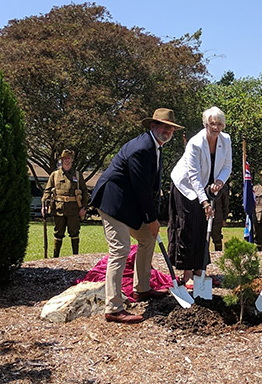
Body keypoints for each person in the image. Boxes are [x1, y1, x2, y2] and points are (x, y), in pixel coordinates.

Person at [90, 108, 183, 324]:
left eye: (171, 128)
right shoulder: (142, 148)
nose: (167, 131)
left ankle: (142, 288)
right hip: (113, 202)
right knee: (120, 250)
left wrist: (151, 220)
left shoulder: (154, 146)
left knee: (147, 238)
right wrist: (151, 219)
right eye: (163, 126)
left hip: (128, 205)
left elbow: (147, 189)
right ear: (152, 126)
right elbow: (142, 189)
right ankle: (113, 308)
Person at [168, 106, 232, 286]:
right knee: (187, 225)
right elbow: (193, 175)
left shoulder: (226, 140)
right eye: (212, 123)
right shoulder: (195, 143)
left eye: (220, 124)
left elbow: (227, 166)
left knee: (203, 226)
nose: (216, 127)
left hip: (206, 185)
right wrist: (204, 201)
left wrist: (219, 182)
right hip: (185, 186)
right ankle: (187, 274)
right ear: (206, 124)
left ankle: (199, 270)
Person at [41, 149, 89, 257]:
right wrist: (44, 205)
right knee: (58, 233)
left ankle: (75, 257)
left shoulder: (77, 174)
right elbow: (47, 191)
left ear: (72, 160)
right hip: (59, 209)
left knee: (74, 233)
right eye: (64, 158)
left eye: (69, 158)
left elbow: (85, 192)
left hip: (74, 210)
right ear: (61, 160)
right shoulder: (55, 175)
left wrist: (84, 208)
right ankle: (55, 257)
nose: (67, 160)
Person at [211, 185, 230, 251]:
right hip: (205, 217)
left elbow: (225, 205)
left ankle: (218, 253)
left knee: (217, 238)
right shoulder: (204, 184)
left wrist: (224, 218)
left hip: (217, 218)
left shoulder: (222, 188)